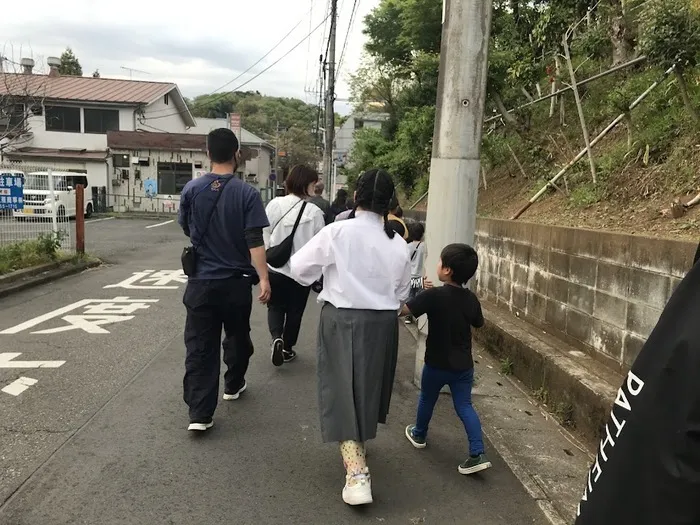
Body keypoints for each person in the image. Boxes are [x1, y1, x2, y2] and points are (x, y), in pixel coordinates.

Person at [289, 169, 411, 506]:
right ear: (388, 203)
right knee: (367, 388)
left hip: (341, 319)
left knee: (342, 389)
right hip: (383, 323)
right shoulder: (397, 243)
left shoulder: (337, 232)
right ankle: (358, 451)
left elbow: (299, 269)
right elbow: (402, 291)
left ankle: (357, 475)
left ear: (356, 197)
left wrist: (328, 273)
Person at [178, 128, 271, 432]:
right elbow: (254, 239)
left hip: (201, 282)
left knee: (200, 345)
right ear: (237, 154)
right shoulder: (247, 193)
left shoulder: (192, 190)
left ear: (207, 153)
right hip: (236, 283)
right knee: (237, 336)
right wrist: (264, 278)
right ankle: (233, 383)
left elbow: (186, 227)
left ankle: (200, 414)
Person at [400, 243, 492, 475]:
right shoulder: (470, 298)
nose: (437, 265)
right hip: (463, 366)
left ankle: (419, 433)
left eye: (440, 262)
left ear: (448, 270)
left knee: (427, 399)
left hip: (436, 363)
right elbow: (478, 322)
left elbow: (404, 310)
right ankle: (477, 452)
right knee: (464, 405)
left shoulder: (433, 295)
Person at [264, 165, 325, 366]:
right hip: (302, 273)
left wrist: (266, 255)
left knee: (275, 306)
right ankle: (288, 348)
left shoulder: (275, 205)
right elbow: (320, 246)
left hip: (276, 267)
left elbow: (263, 233)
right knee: (295, 311)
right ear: (307, 184)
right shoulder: (315, 212)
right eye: (313, 183)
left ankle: (276, 339)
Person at [404, 221, 426, 325]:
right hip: (420, 277)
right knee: (419, 297)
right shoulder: (424, 246)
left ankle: (408, 317)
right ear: (422, 233)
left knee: (410, 297)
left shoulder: (407, 247)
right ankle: (418, 317)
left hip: (409, 277)